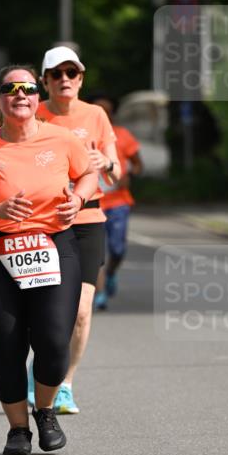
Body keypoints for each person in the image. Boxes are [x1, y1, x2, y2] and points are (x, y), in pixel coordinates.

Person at [0, 64, 97, 455]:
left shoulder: (62, 140)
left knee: (52, 342)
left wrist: (78, 199)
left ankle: (45, 410)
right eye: (9, 88)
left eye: (28, 88)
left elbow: (88, 177)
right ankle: (18, 430)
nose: (20, 94)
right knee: (9, 347)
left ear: (37, 97)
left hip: (53, 247)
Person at [35, 46, 121, 413]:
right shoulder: (33, 114)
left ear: (81, 79)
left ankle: (65, 384)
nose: (65, 80)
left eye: (72, 73)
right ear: (45, 81)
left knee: (82, 311)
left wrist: (107, 163)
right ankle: (38, 371)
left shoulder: (96, 116)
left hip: (87, 221)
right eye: (57, 74)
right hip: (44, 223)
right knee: (44, 311)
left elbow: (117, 173)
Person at [86, 92, 143, 310]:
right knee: (97, 251)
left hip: (119, 202)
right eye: (99, 110)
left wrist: (130, 175)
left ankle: (110, 273)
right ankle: (99, 293)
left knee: (117, 249)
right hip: (93, 202)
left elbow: (138, 164)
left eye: (108, 111)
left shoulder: (123, 136)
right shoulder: (82, 135)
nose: (104, 115)